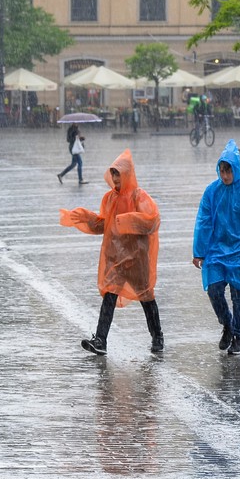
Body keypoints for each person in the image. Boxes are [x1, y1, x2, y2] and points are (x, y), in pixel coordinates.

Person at [60, 149, 164, 355]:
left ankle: (157, 336)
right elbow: (104, 225)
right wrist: (87, 218)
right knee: (110, 295)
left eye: (119, 174)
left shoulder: (139, 196)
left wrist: (125, 220)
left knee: (146, 296)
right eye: (113, 174)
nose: (115, 179)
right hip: (116, 258)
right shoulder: (109, 198)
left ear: (127, 174)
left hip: (136, 258)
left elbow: (152, 221)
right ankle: (100, 340)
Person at [193, 140, 240, 355]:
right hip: (217, 250)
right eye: (222, 171)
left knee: (238, 295)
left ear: (236, 169)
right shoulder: (212, 191)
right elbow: (204, 221)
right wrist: (199, 251)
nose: (225, 176)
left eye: (228, 171)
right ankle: (227, 324)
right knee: (214, 290)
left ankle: (238, 337)